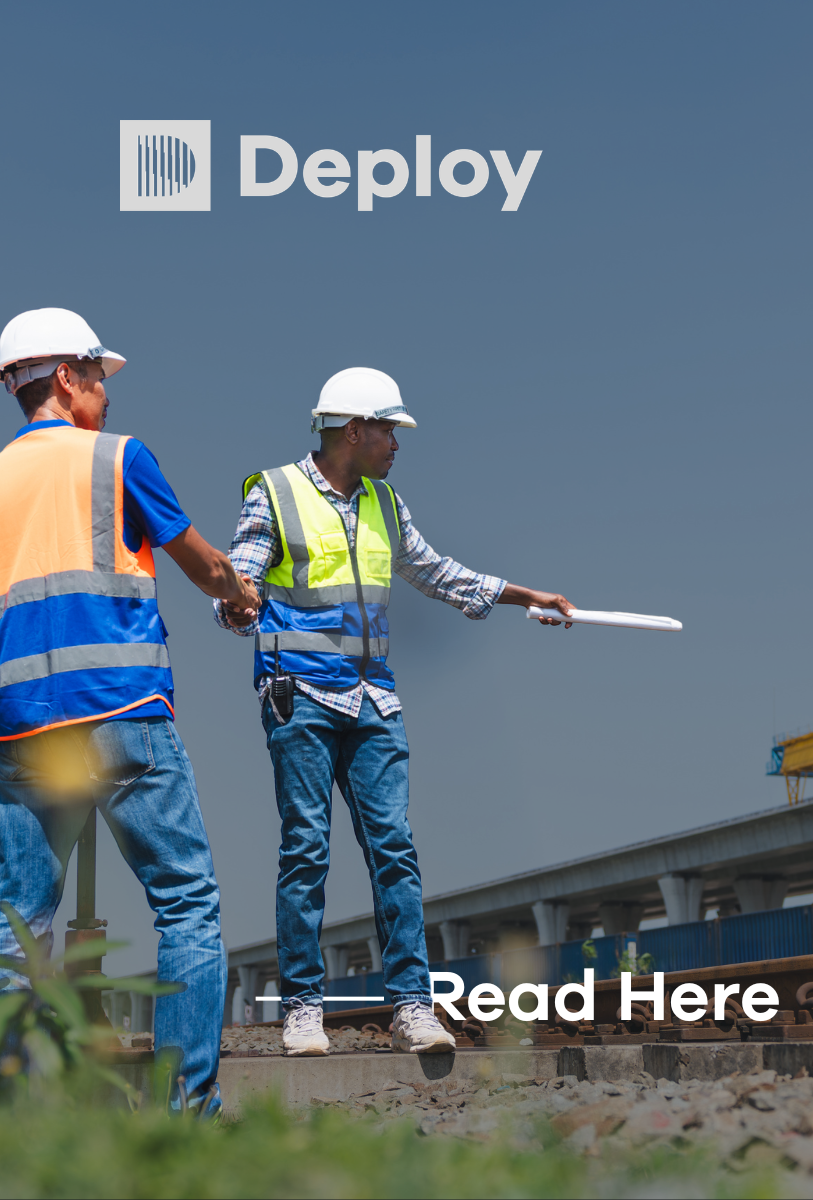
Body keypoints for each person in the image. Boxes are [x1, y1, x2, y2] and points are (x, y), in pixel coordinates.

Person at [215, 366, 572, 1055]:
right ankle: (303, 1009)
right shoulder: (276, 493)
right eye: (390, 429)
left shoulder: (385, 503)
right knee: (306, 848)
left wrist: (525, 596)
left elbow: (437, 572)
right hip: (300, 693)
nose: (397, 443)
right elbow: (240, 575)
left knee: (395, 850)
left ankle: (412, 1005)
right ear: (355, 430)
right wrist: (235, 604)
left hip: (374, 696)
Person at [0, 308, 260, 1110]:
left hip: (21, 725)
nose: (107, 398)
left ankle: (18, 1112)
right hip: (124, 711)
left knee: (15, 926)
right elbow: (201, 563)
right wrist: (241, 594)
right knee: (185, 903)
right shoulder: (120, 458)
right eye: (98, 381)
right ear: (68, 378)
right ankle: (190, 1113)